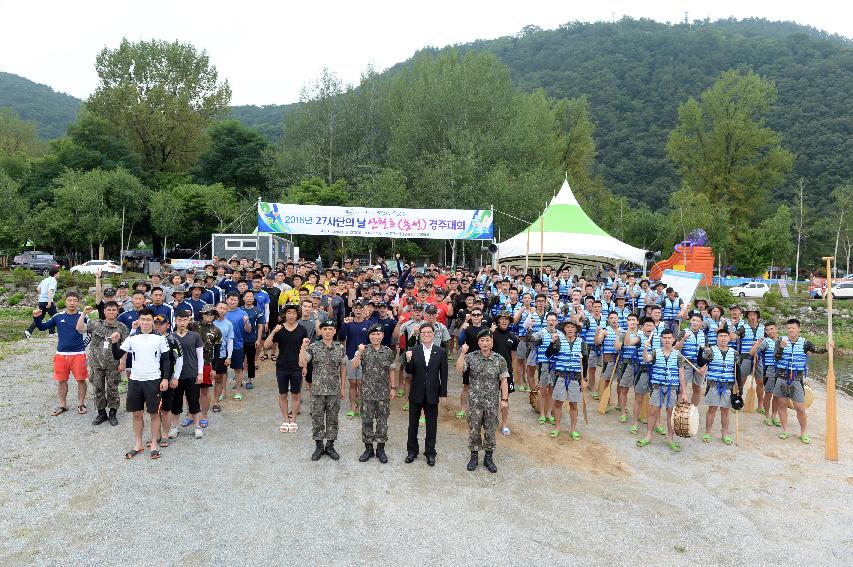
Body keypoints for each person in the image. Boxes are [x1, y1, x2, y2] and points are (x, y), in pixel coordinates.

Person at [111, 309, 171, 459]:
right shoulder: (133, 338)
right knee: (137, 414)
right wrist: (114, 342)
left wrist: (165, 379)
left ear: (152, 321)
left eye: (148, 320)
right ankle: (138, 444)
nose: (145, 322)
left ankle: (154, 444)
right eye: (142, 319)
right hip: (136, 380)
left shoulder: (160, 339)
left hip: (153, 380)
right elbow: (117, 355)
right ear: (139, 321)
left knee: (154, 413)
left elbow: (166, 360)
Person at [456, 328, 509, 473]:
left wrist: (504, 399)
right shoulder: (471, 357)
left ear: (492, 343)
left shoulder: (499, 359)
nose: (485, 343)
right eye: (482, 340)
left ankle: (488, 458)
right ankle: (474, 457)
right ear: (478, 342)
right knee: (474, 430)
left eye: (488, 340)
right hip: (475, 403)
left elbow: (504, 380)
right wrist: (462, 353)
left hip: (492, 403)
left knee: (490, 430)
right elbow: (459, 369)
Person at [773, 318, 831, 444]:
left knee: (800, 408)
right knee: (782, 404)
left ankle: (803, 433)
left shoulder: (805, 343)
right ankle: (785, 430)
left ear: (799, 329)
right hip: (782, 377)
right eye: (789, 328)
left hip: (797, 379)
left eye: (793, 328)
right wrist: (781, 348)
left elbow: (818, 351)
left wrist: (826, 348)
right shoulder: (780, 341)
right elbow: (776, 358)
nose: (791, 330)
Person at [32, 291, 89, 416]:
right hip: (61, 355)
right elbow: (42, 327)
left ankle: (81, 404)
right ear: (65, 302)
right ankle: (62, 405)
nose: (72, 303)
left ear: (78, 302)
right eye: (70, 300)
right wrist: (36, 318)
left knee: (81, 380)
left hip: (78, 354)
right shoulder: (58, 316)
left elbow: (89, 333)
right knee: (62, 380)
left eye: (75, 300)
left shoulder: (84, 316)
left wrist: (82, 346)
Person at [299, 321, 347, 461]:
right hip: (318, 391)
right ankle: (319, 446)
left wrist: (343, 387)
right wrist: (303, 347)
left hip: (334, 390)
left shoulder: (340, 348)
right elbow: (302, 363)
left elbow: (343, 367)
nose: (327, 331)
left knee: (332, 419)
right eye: (324, 329)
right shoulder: (314, 347)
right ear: (321, 331)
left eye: (330, 329)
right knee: (318, 419)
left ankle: (330, 446)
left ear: (334, 331)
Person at [78, 300, 129, 426]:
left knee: (113, 389)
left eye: (113, 310)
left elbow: (126, 347)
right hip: (97, 364)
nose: (111, 312)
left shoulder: (122, 327)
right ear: (104, 311)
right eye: (109, 310)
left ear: (117, 311)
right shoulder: (96, 324)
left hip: (113, 364)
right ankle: (101, 413)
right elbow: (79, 328)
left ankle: (113, 413)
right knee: (98, 389)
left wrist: (123, 362)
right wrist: (83, 314)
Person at [404, 323, 448, 467]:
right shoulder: (413, 350)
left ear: (433, 334)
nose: (426, 335)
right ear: (420, 335)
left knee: (431, 425)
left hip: (432, 393)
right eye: (423, 332)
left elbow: (444, 375)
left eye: (429, 332)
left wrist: (443, 394)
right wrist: (408, 359)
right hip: (416, 392)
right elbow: (409, 371)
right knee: (413, 425)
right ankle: (412, 451)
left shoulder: (440, 351)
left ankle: (430, 453)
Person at [351, 324, 396, 463]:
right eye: (373, 335)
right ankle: (369, 448)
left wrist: (393, 388)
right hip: (367, 392)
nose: (376, 337)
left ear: (382, 336)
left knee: (382, 421)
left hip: (383, 392)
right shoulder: (364, 350)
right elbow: (353, 365)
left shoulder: (388, 351)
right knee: (367, 420)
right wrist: (359, 352)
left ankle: (381, 449)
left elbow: (392, 370)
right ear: (369, 336)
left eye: (378, 334)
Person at [637, 328, 687, 452]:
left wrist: (684, 392)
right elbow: (645, 359)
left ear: (673, 340)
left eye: (669, 338)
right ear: (661, 339)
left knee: (671, 413)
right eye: (664, 338)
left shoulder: (678, 355)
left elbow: (681, 375)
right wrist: (645, 348)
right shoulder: (655, 352)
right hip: (657, 386)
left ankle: (670, 438)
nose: (667, 340)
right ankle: (648, 436)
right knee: (653, 411)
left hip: (672, 388)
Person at [265, 304, 308, 433]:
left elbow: (304, 350)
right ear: (285, 314)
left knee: (296, 394)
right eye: (288, 313)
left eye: (293, 313)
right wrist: (273, 331)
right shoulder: (279, 329)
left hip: (296, 367)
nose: (291, 315)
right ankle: (285, 419)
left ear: (297, 315)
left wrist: (304, 366)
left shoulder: (302, 329)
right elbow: (266, 346)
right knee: (282, 394)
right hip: (282, 366)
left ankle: (293, 420)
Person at [548, 321, 588, 439]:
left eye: (572, 327)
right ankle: (557, 427)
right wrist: (552, 342)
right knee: (558, 403)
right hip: (560, 376)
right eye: (567, 327)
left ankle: (573, 429)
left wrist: (584, 378)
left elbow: (585, 362)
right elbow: (548, 354)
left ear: (576, 330)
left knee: (574, 404)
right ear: (564, 329)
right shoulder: (558, 341)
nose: (570, 329)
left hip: (575, 377)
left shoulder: (581, 343)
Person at [169, 310, 205, 439]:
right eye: (179, 320)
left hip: (192, 373)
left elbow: (200, 357)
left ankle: (197, 427)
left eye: (185, 320)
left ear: (189, 321)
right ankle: (174, 427)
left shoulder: (195, 336)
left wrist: (200, 373)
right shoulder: (170, 337)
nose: (182, 323)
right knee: (176, 404)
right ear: (175, 321)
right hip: (176, 377)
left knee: (194, 402)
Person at [699, 328, 737, 445]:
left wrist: (738, 387)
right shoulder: (711, 351)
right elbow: (701, 362)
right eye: (721, 336)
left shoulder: (734, 353)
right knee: (712, 409)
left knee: (725, 411)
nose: (723, 338)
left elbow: (737, 371)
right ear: (717, 338)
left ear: (729, 338)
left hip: (728, 385)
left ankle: (724, 433)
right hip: (713, 384)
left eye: (725, 336)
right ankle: (708, 432)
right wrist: (701, 351)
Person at [188, 305, 222, 429]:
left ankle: (204, 415)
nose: (209, 316)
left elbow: (217, 351)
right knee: (190, 390)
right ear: (202, 314)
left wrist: (214, 368)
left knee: (205, 390)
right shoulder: (193, 325)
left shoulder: (216, 331)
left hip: (207, 363)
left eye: (212, 314)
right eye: (207, 313)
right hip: (191, 363)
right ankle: (190, 415)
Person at [338, 299, 372, 419]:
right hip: (351, 356)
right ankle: (353, 407)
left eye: (360, 308)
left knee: (362, 383)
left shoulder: (369, 324)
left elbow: (372, 341)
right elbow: (341, 336)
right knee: (353, 383)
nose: (358, 310)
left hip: (365, 357)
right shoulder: (349, 323)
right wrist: (345, 323)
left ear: (364, 310)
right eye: (356, 308)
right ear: (353, 310)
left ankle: (362, 406)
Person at [154, 315, 183, 448]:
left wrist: (175, 377)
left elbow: (179, 360)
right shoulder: (150, 338)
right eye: (156, 323)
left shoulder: (172, 340)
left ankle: (165, 434)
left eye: (161, 323)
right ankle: (156, 434)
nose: (158, 325)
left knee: (166, 408)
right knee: (154, 409)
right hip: (151, 378)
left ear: (168, 325)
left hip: (168, 378)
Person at [490, 311, 519, 435]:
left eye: (506, 319)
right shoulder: (491, 334)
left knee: (505, 400)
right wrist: (490, 333)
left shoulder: (513, 337)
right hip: (492, 371)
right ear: (498, 320)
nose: (504, 321)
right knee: (491, 398)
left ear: (509, 321)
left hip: (506, 373)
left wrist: (512, 372)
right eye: (502, 319)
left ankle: (504, 424)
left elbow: (513, 357)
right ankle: (490, 422)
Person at [676, 312, 708, 407]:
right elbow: (677, 348)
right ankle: (679, 409)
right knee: (682, 389)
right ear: (690, 321)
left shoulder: (704, 335)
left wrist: (704, 367)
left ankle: (693, 411)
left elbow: (707, 353)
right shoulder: (683, 332)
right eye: (693, 320)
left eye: (698, 321)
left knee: (697, 389)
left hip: (699, 364)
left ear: (701, 323)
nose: (695, 322)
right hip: (685, 363)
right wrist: (683, 339)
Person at [224, 292, 251, 401]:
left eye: (235, 300)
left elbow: (248, 330)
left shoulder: (243, 313)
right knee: (222, 371)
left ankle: (238, 391)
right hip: (222, 347)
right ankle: (223, 392)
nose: (233, 302)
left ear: (238, 301)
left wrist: (246, 322)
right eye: (231, 299)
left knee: (238, 369)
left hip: (237, 345)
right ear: (227, 300)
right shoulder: (222, 312)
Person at [752, 321, 780, 426]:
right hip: (769, 371)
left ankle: (774, 416)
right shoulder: (765, 342)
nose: (770, 332)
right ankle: (767, 416)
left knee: (777, 395)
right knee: (768, 394)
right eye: (767, 330)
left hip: (781, 372)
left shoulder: (783, 341)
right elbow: (753, 352)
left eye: (772, 329)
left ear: (776, 329)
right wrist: (757, 344)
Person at [211, 301, 235, 413]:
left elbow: (230, 341)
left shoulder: (229, 324)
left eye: (225, 308)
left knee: (219, 379)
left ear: (227, 310)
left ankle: (215, 402)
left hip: (221, 355)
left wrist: (229, 356)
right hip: (207, 355)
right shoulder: (209, 321)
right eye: (220, 307)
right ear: (216, 308)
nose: (222, 310)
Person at [241, 289, 265, 390]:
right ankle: (240, 378)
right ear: (243, 298)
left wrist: (258, 339)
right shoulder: (239, 310)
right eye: (247, 296)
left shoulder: (258, 311)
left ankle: (250, 379)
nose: (249, 298)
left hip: (252, 339)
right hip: (240, 340)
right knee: (240, 360)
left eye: (251, 297)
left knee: (251, 360)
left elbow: (260, 326)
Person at [26, 267, 59, 338]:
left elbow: (38, 289)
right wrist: (49, 302)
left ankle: (29, 331)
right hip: (47, 301)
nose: (59, 274)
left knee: (40, 317)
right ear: (55, 274)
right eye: (58, 273)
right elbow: (50, 291)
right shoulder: (53, 280)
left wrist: (43, 294)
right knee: (55, 317)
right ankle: (52, 333)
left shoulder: (44, 280)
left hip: (41, 301)